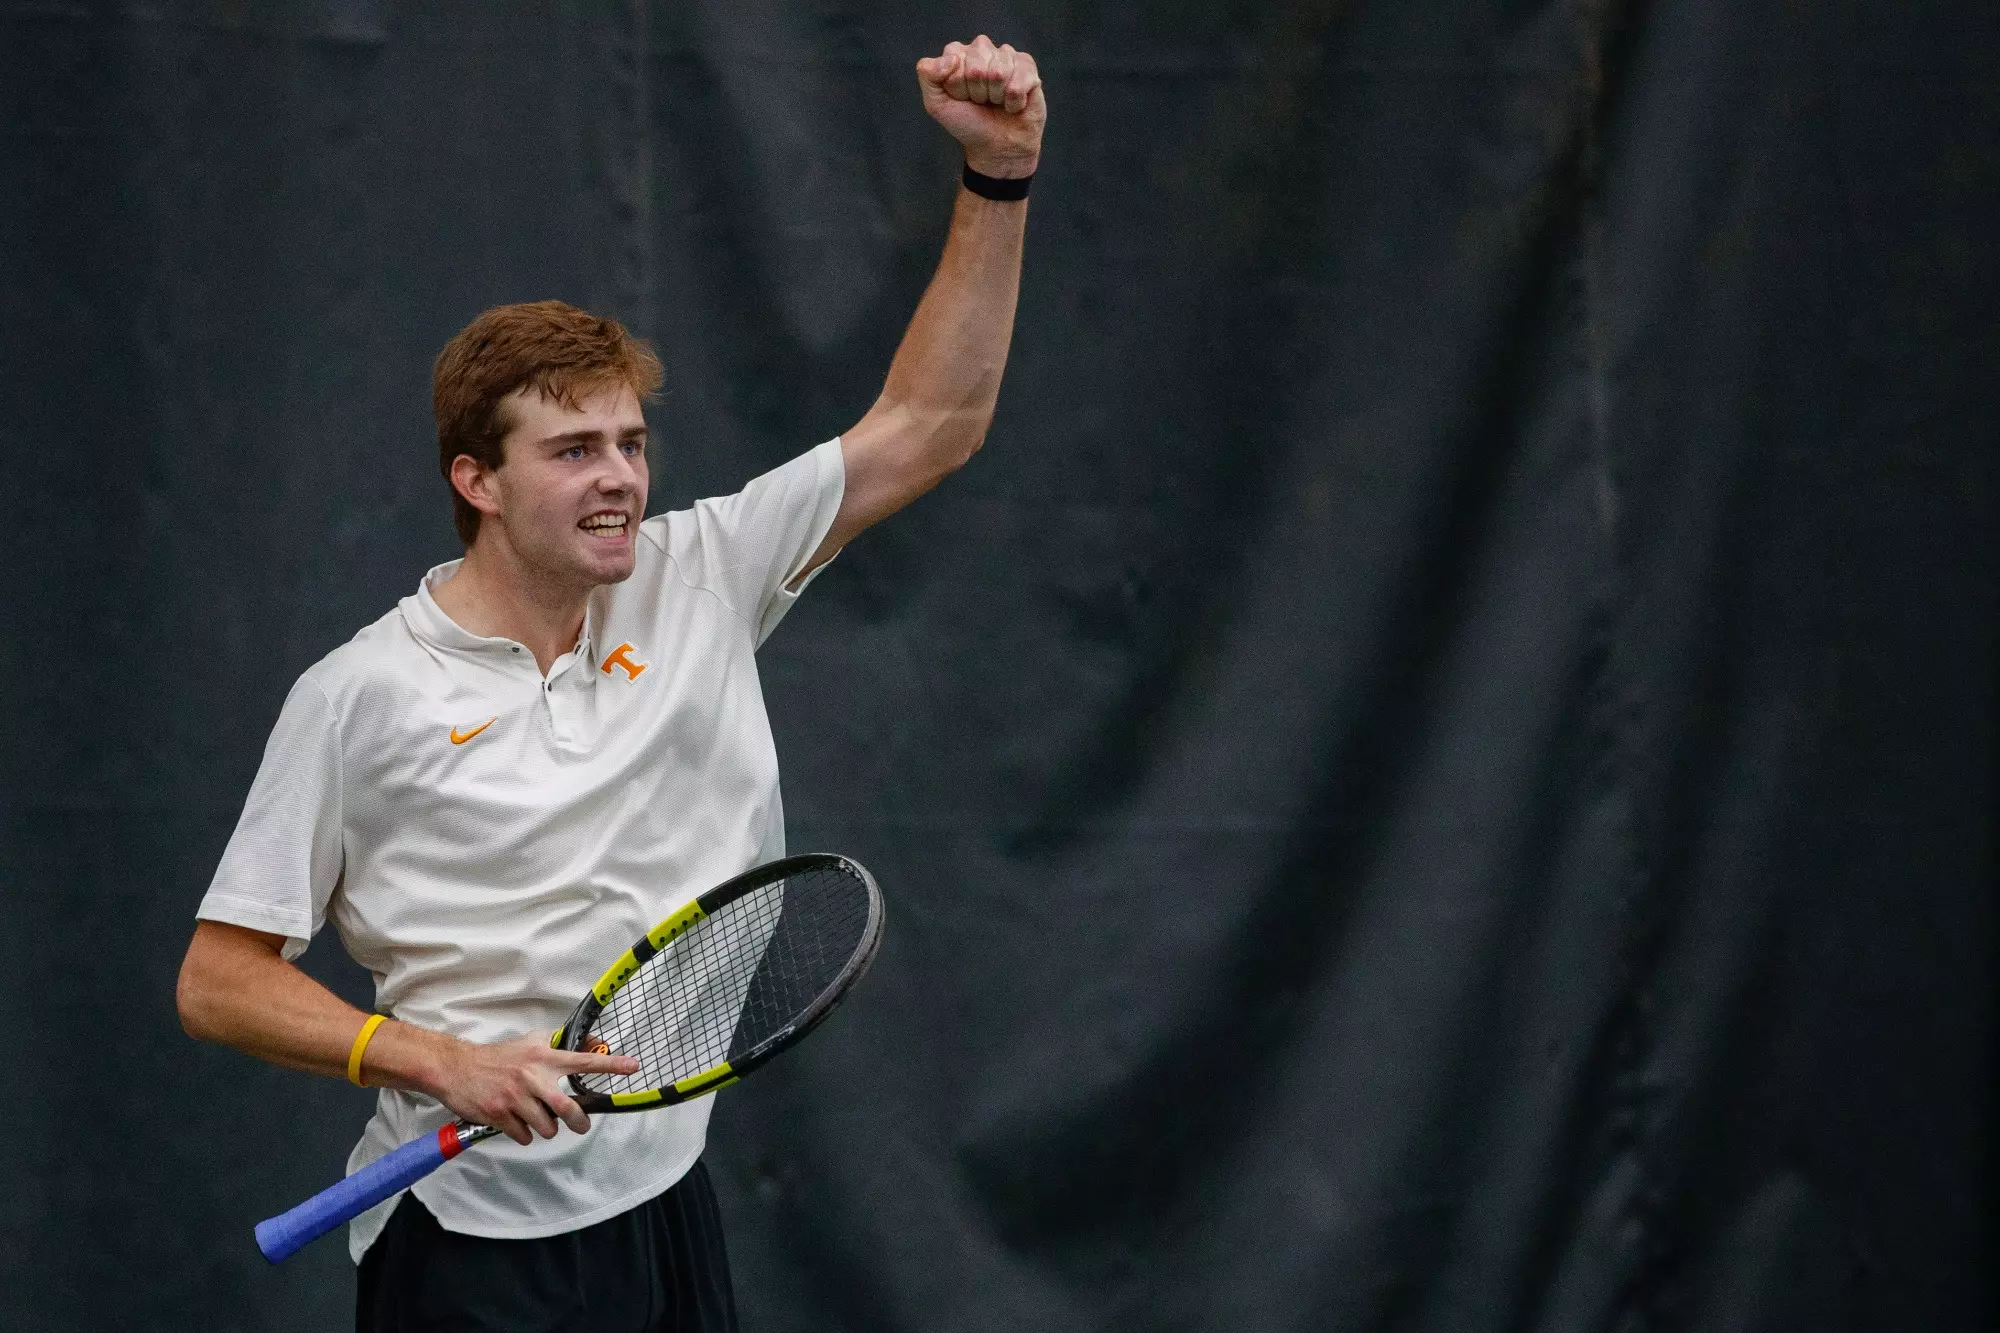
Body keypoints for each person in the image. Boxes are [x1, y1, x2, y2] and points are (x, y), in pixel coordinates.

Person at [175, 35, 1045, 1333]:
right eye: (573, 449)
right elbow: (217, 977)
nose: (621, 479)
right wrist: (436, 1061)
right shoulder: (360, 694)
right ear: (477, 479)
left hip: (656, 1199)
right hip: (465, 1242)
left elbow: (936, 423)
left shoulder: (702, 571)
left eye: (631, 444)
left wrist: (1000, 180)